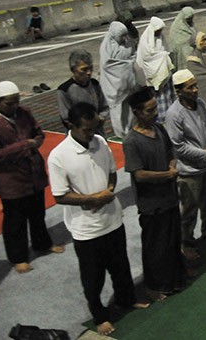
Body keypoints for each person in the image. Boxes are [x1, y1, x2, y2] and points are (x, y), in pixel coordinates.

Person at [49, 103, 149, 336]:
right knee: (93, 278)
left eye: (94, 127)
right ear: (71, 126)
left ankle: (126, 299)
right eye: (86, 129)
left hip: (112, 219)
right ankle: (100, 316)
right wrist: (92, 199)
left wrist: (110, 189)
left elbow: (112, 172)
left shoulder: (101, 142)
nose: (91, 133)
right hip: (86, 229)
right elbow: (59, 195)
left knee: (120, 266)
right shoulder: (58, 156)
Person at [0, 81, 65, 274]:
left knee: (37, 213)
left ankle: (42, 243)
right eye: (9, 103)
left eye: (16, 102)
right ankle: (18, 257)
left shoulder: (24, 113)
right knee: (15, 220)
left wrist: (34, 142)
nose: (14, 107)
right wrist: (25, 146)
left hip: (33, 174)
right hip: (10, 180)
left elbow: (38, 133)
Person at [122, 87, 186, 301]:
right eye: (150, 110)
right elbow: (139, 174)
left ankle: (175, 279)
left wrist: (172, 164)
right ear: (137, 113)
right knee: (155, 247)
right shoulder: (131, 141)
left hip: (169, 198)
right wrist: (167, 175)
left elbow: (171, 153)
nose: (155, 113)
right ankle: (154, 285)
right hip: (151, 203)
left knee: (172, 241)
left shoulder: (159, 129)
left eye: (155, 108)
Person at [166, 69, 206, 261]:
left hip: (205, 165)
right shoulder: (174, 114)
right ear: (179, 91)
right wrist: (204, 153)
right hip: (188, 172)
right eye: (190, 87)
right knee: (189, 212)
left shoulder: (200, 104)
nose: (195, 90)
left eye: (195, 85)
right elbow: (178, 147)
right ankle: (187, 244)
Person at [57, 49, 109, 137]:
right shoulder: (64, 90)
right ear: (73, 69)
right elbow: (66, 117)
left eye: (90, 68)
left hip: (98, 132)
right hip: (78, 135)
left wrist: (100, 118)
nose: (88, 73)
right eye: (84, 69)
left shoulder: (94, 84)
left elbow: (104, 107)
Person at [100, 21, 137, 138]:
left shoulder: (126, 42)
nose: (124, 38)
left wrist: (131, 61)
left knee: (129, 109)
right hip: (114, 84)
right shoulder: (107, 46)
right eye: (122, 36)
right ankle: (120, 133)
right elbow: (107, 65)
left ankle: (130, 129)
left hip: (126, 84)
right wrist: (127, 65)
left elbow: (133, 54)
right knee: (118, 110)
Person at [136, 17, 175, 123]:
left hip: (165, 78)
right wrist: (162, 56)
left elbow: (167, 51)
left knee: (167, 99)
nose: (159, 32)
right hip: (153, 78)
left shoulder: (161, 39)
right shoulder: (146, 40)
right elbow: (146, 57)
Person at [168, 6, 198, 71]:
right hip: (182, 54)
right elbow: (176, 42)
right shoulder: (176, 28)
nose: (190, 20)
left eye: (191, 18)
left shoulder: (191, 25)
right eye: (188, 18)